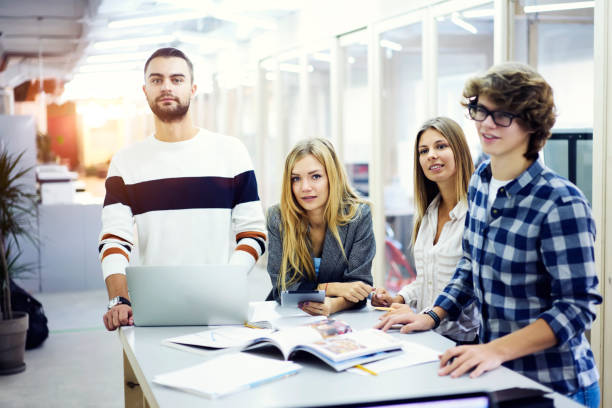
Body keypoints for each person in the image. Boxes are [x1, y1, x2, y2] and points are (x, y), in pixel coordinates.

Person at [375, 62, 601, 407]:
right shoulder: (481, 182)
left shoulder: (559, 201)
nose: (486, 123)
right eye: (481, 110)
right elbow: (470, 264)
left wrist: (495, 349)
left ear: (532, 123)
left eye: (502, 115)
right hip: (498, 376)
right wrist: (431, 315)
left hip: (557, 384)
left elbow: (577, 307)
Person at [100, 48, 266, 331]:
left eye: (177, 79)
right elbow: (114, 240)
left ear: (193, 88)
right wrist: (119, 298)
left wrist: (225, 280)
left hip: (220, 309)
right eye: (156, 80)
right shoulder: (126, 162)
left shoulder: (231, 152)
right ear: (145, 90)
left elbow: (253, 233)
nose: (166, 86)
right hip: (154, 310)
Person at [371, 117, 479, 344]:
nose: (431, 155)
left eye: (441, 146)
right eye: (423, 150)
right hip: (427, 336)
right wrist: (396, 299)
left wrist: (428, 316)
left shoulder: (476, 213)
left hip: (463, 341)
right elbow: (425, 281)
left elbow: (469, 288)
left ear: (459, 150)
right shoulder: (428, 214)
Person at [267, 138, 374, 316]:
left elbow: (360, 287)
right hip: (288, 315)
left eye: (315, 176)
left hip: (344, 317)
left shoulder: (358, 216)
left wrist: (334, 305)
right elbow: (282, 288)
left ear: (332, 177)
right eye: (296, 179)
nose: (305, 187)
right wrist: (331, 287)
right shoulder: (278, 217)